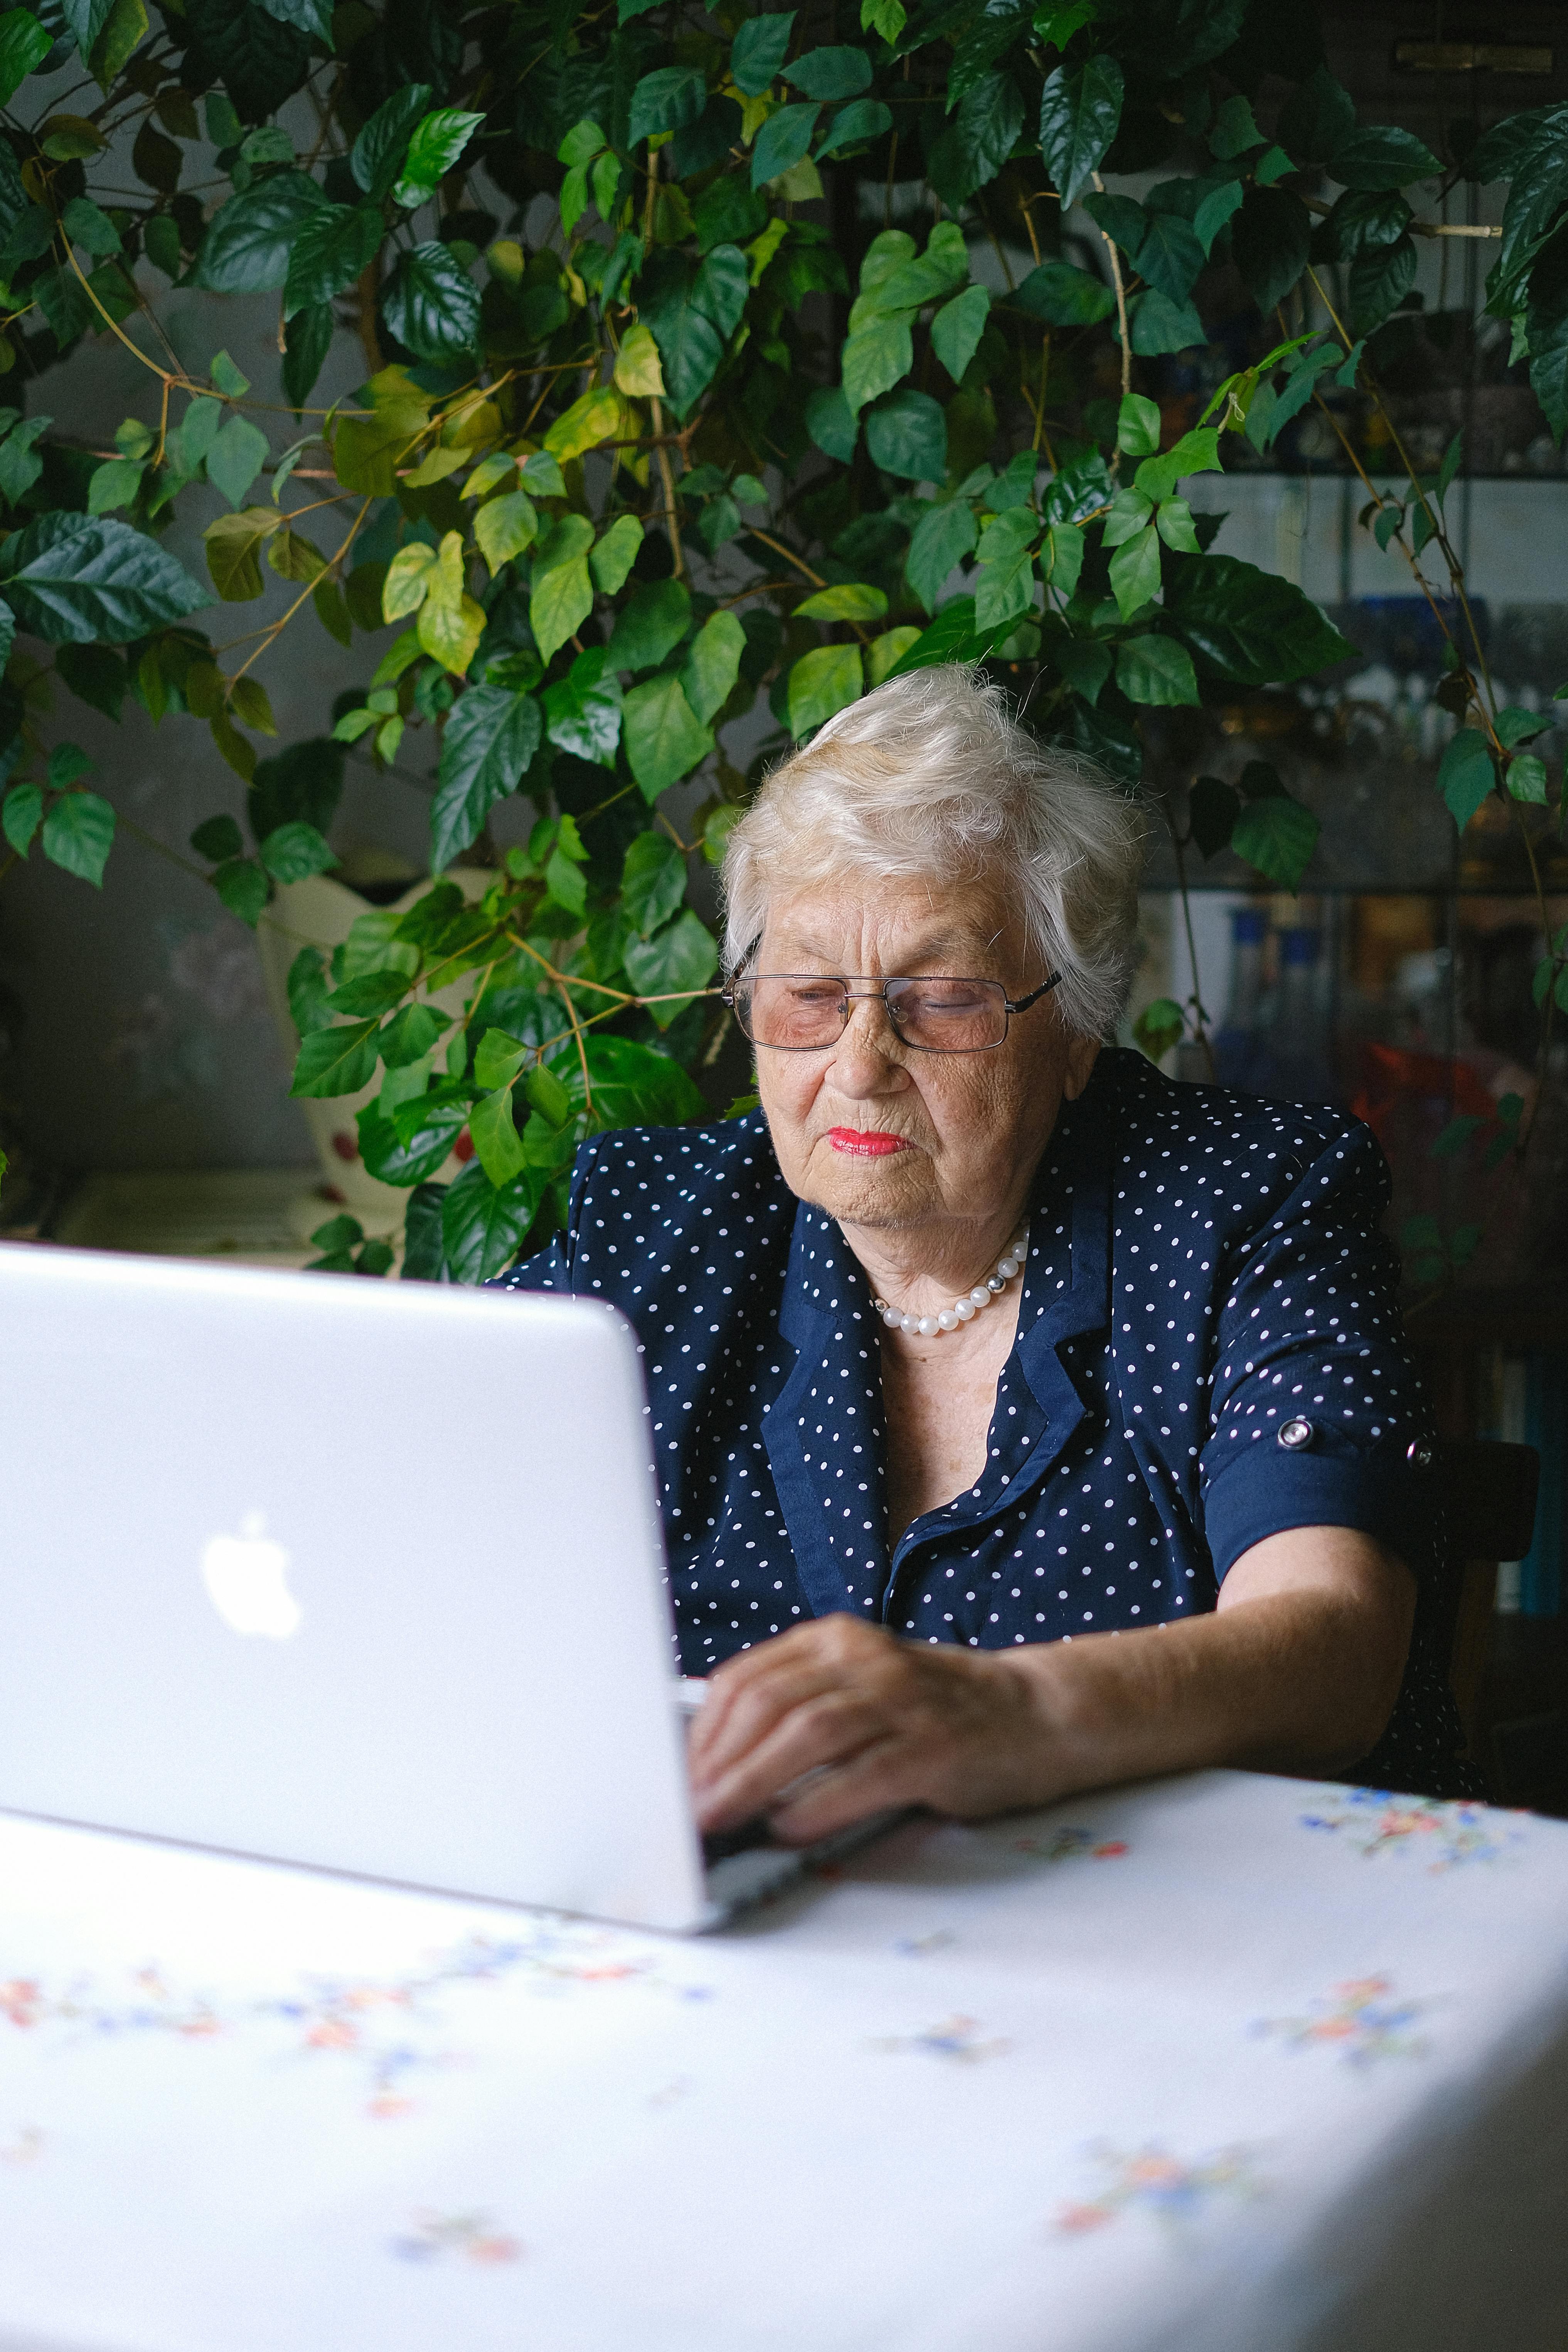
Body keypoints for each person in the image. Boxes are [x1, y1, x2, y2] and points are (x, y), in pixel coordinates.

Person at [498, 666, 1468, 1842]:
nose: (858, 1062)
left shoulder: (1242, 1202)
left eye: (942, 1000)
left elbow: (1333, 1646)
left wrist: (1011, 1708)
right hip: (764, 1924)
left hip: (1184, 1921)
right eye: (807, 994)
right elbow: (433, 1531)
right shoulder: (650, 1228)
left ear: (1072, 1028)